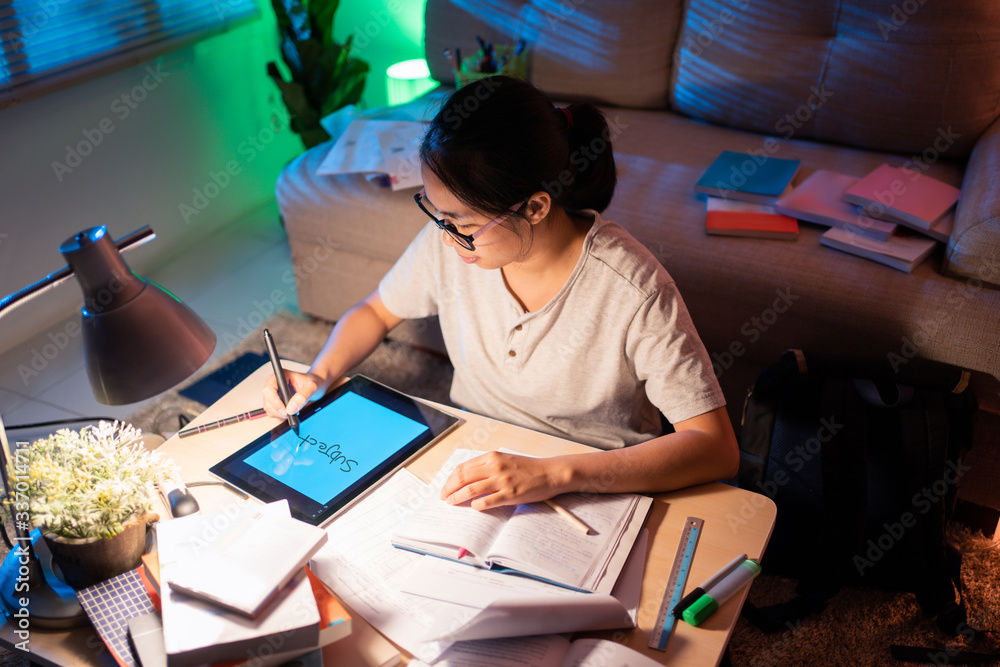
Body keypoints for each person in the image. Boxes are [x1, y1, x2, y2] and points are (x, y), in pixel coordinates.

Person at [263, 75, 739, 511]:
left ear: (535, 207)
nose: (447, 238)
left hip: (593, 483)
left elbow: (715, 447)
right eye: (438, 215)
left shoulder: (633, 290)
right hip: (473, 460)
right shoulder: (448, 244)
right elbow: (375, 311)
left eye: (464, 225)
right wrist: (318, 374)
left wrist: (557, 474)